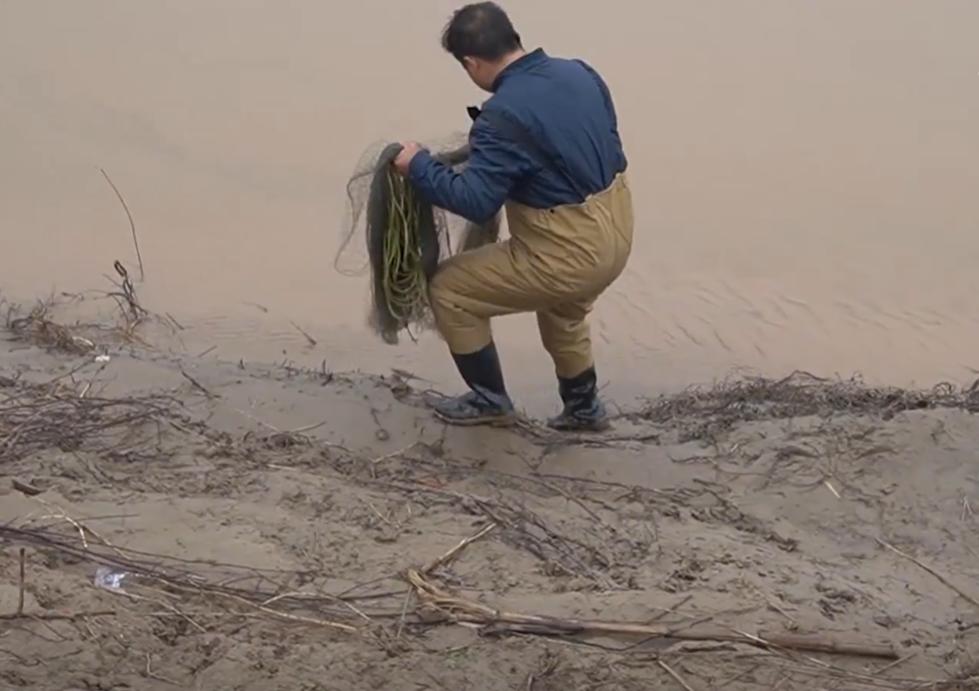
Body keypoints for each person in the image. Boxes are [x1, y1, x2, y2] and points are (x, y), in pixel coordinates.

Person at [393, 2, 633, 432]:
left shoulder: (500, 118)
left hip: (568, 252)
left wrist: (419, 166)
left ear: (471, 63)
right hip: (616, 233)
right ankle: (583, 410)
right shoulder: (581, 72)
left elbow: (476, 201)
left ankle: (489, 400)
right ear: (513, 37)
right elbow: (597, 142)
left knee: (449, 289)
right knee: (564, 312)